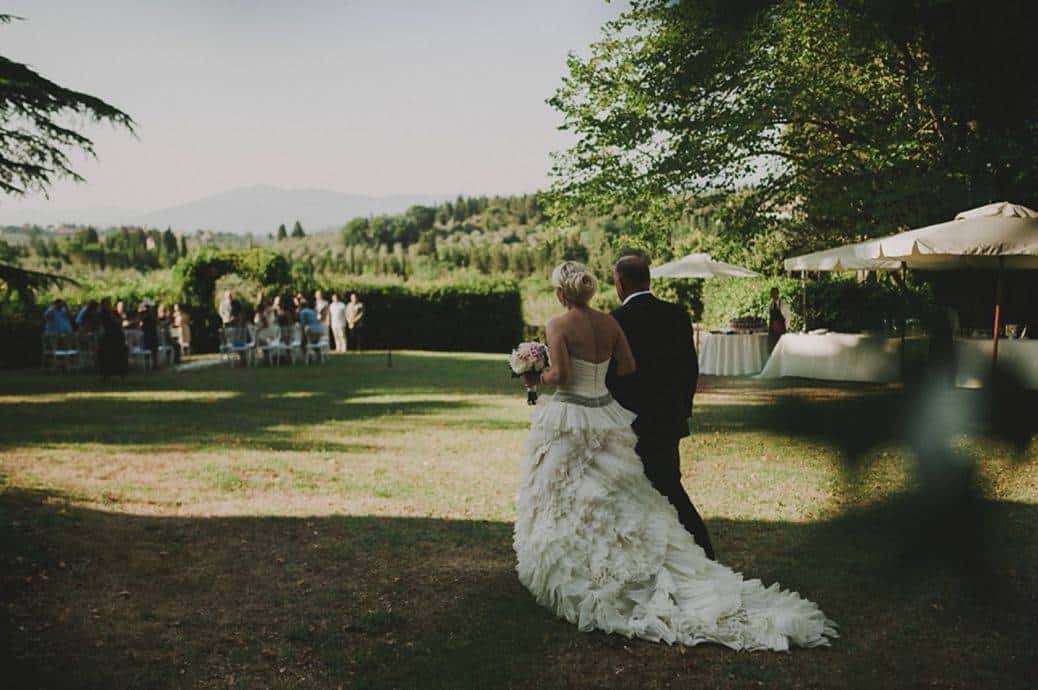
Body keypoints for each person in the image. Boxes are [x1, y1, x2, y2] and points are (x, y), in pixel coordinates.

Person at [514, 260, 836, 651]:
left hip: (572, 415)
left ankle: (583, 569)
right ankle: (657, 559)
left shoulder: (558, 325)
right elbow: (629, 366)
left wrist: (534, 374)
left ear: (561, 293)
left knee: (570, 495)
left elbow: (561, 377)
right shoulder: (610, 323)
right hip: (607, 414)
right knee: (625, 493)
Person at [606, 255, 715, 558]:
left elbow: (612, 377)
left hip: (631, 421)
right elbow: (689, 368)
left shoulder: (615, 321)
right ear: (648, 279)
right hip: (668, 418)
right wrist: (682, 409)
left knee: (653, 489)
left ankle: (701, 551)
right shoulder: (677, 314)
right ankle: (669, 549)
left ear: (621, 282)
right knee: (666, 484)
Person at [97, 298, 128, 379]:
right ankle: (106, 374)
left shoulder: (113, 312)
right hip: (108, 336)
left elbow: (119, 321)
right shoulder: (102, 313)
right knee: (106, 356)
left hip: (117, 335)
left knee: (119, 355)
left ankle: (121, 373)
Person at [767, 287, 792, 351]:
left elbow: (788, 318)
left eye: (774, 293)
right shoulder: (770, 305)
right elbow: (769, 318)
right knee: (772, 350)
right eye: (771, 293)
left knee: (781, 350)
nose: (772, 295)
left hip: (781, 332)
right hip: (772, 333)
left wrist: (784, 329)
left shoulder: (784, 304)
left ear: (777, 294)